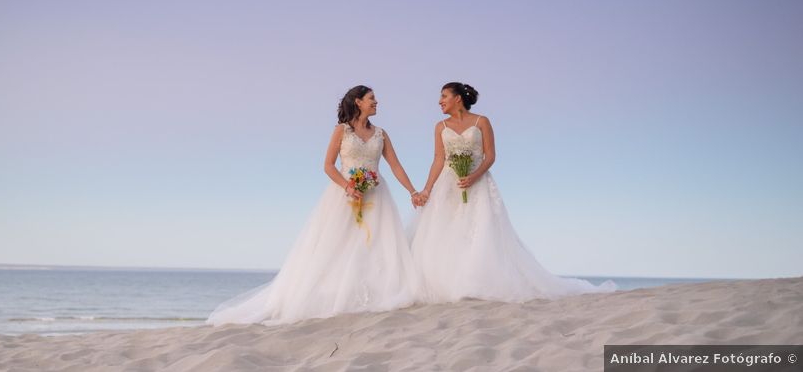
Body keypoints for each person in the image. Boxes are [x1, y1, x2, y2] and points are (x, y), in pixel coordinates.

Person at [207, 85, 421, 325]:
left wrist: (413, 191)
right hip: (345, 194)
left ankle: (370, 296)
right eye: (372, 98)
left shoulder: (381, 133)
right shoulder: (341, 131)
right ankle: (328, 298)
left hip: (376, 196)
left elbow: (395, 165)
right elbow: (328, 166)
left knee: (374, 245)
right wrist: (348, 186)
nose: (376, 102)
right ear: (358, 102)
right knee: (335, 246)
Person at [410, 82, 617, 303]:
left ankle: (473, 283)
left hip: (477, 183)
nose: (440, 101)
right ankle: (450, 283)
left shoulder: (482, 122)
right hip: (449, 185)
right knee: (448, 233)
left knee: (479, 232)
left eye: (444, 96)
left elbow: (490, 156)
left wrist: (474, 175)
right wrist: (427, 189)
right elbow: (438, 160)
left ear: (457, 98)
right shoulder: (440, 126)